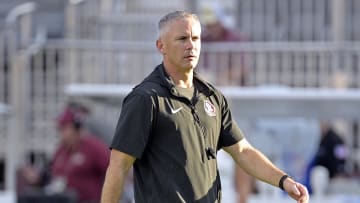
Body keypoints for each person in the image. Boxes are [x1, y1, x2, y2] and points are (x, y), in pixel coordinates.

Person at [101, 11, 309, 203]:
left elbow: (243, 151)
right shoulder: (146, 99)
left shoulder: (212, 97)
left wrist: (284, 181)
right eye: (182, 39)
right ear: (161, 46)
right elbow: (118, 167)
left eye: (195, 38)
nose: (190, 45)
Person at [18, 107, 110, 203]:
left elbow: (113, 170)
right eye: (59, 129)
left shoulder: (93, 147)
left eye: (64, 128)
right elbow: (49, 176)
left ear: (76, 128)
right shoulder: (60, 150)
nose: (61, 133)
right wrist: (37, 179)